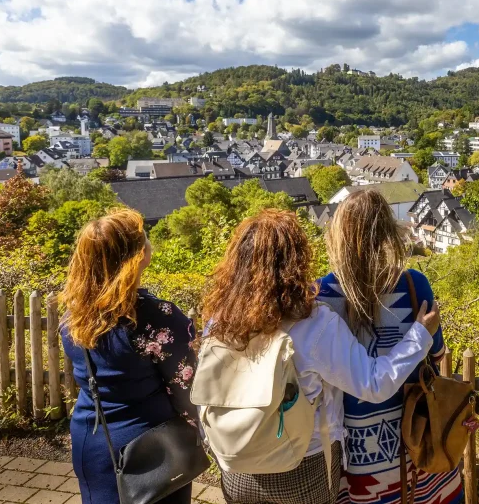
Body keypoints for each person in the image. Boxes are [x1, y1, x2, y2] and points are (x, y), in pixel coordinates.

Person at [197, 209, 441, 504]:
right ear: (297, 261)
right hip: (300, 465)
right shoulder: (314, 323)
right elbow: (375, 384)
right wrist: (420, 335)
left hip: (235, 460)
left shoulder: (219, 320)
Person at [318, 189, 463, 504]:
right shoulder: (413, 285)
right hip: (417, 443)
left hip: (351, 457)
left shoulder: (321, 296)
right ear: (387, 231)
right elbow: (436, 356)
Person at [61, 208, 199, 504]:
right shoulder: (156, 317)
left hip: (92, 436)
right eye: (144, 239)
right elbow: (187, 388)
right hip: (152, 448)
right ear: (136, 257)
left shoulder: (74, 316)